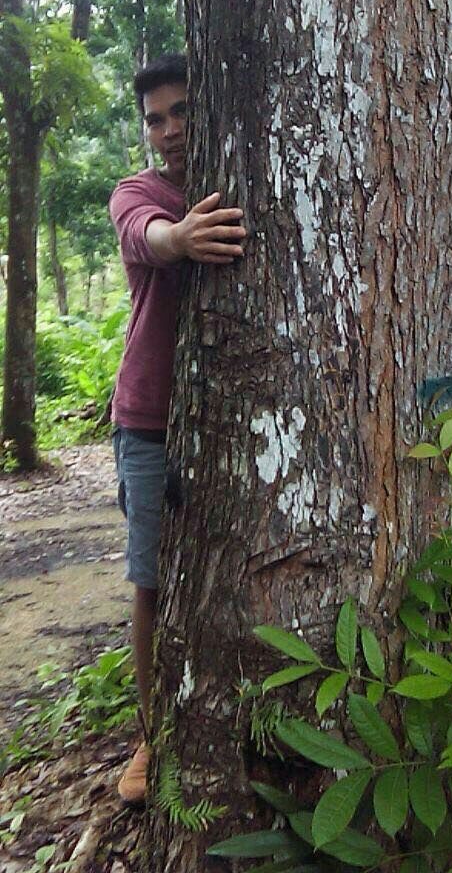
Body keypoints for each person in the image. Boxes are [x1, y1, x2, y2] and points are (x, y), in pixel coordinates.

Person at [109, 53, 247, 805]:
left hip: (230, 416)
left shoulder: (255, 166)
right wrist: (180, 238)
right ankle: (150, 729)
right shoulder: (141, 191)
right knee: (152, 579)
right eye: (155, 119)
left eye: (181, 112)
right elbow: (145, 236)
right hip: (149, 418)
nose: (167, 131)